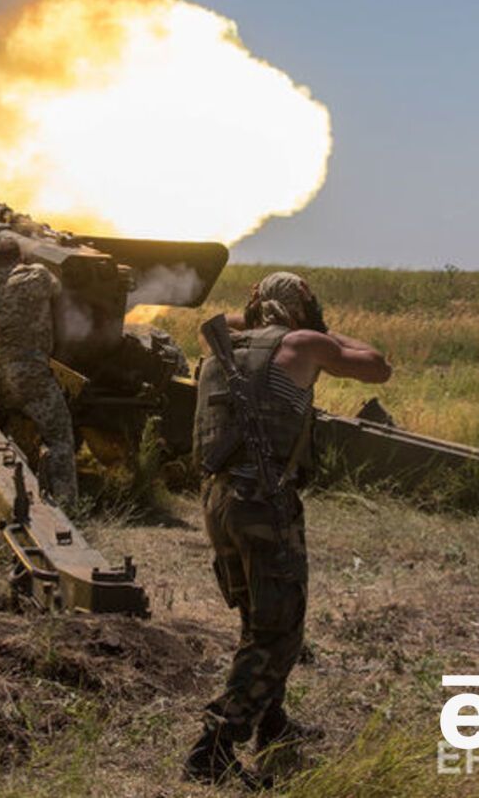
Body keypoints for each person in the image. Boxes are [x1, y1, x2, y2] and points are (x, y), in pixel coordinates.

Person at [184, 271, 392, 787]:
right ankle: (214, 746)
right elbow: (378, 367)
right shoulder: (303, 344)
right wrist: (320, 330)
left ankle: (270, 722)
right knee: (279, 631)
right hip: (263, 502)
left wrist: (262, 313)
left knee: (258, 616)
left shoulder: (223, 342)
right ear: (300, 309)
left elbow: (236, 320)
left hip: (218, 499)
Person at [0, 234, 78, 503]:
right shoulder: (37, 276)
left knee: (15, 433)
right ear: (21, 257)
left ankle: (13, 491)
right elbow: (57, 287)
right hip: (29, 375)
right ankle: (66, 504)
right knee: (60, 437)